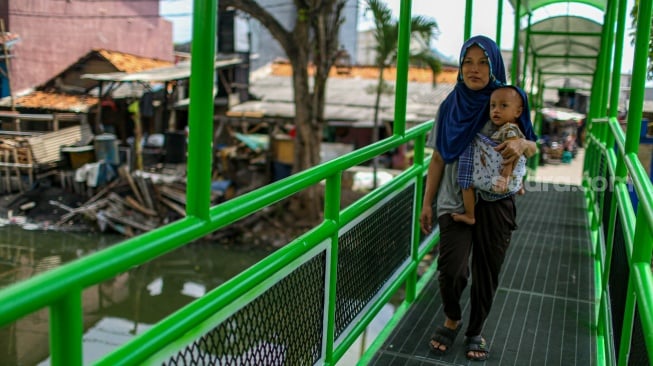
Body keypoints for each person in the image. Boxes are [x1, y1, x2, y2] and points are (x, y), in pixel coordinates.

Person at [419, 35, 537, 361]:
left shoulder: (504, 99)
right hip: (453, 198)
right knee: (452, 270)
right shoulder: (450, 106)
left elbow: (532, 145)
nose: (474, 69)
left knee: (488, 269)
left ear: (494, 65)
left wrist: (521, 146)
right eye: (467, 62)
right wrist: (426, 203)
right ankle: (453, 317)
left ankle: (475, 330)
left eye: (482, 62)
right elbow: (439, 158)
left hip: (496, 202)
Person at [452, 85, 530, 225]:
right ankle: (519, 185)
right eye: (492, 106)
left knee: (466, 183)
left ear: (518, 112)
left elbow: (511, 156)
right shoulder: (513, 128)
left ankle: (470, 215)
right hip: (510, 175)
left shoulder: (510, 130)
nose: (496, 110)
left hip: (501, 174)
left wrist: (505, 177)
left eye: (503, 106)